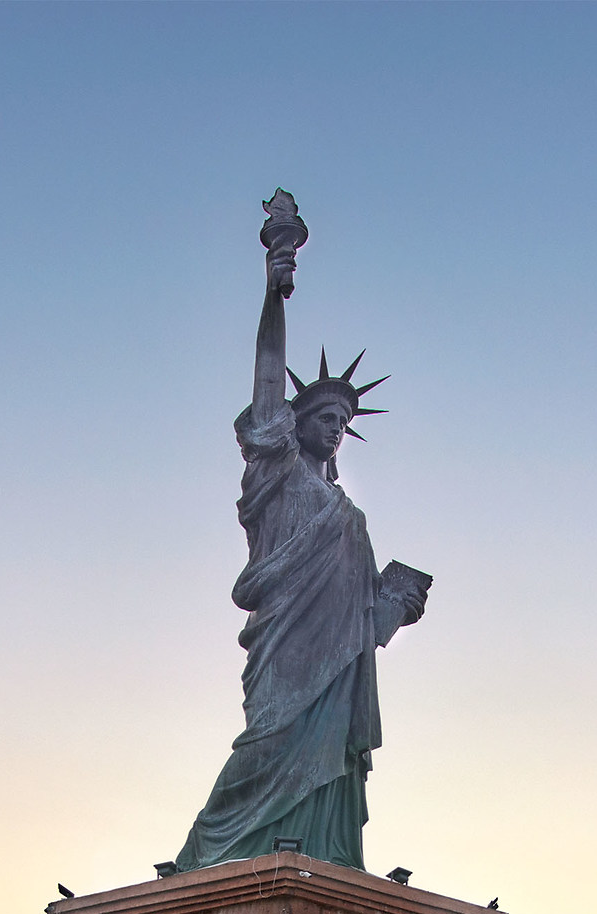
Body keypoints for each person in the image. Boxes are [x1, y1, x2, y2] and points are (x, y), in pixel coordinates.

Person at [170, 192, 428, 872]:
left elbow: (365, 625)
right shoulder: (278, 471)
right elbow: (264, 374)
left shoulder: (348, 514)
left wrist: (398, 606)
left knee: (329, 759)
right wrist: (274, 283)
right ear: (294, 420)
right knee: (266, 743)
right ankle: (208, 851)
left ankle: (325, 856)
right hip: (286, 648)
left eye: (343, 422)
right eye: (323, 415)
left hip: (338, 670)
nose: (334, 427)